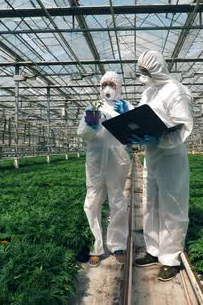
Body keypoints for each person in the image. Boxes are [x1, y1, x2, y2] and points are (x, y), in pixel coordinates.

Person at [131, 50, 193, 282]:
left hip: (171, 156)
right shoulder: (148, 92)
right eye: (141, 71)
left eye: (146, 71)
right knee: (152, 203)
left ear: (157, 68)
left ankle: (170, 258)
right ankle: (153, 249)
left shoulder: (176, 90)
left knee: (172, 205)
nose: (143, 75)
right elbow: (139, 117)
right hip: (152, 155)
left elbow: (183, 125)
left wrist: (160, 137)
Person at [77, 71, 133, 267]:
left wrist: (127, 117)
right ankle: (96, 246)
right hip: (96, 158)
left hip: (118, 158)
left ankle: (117, 245)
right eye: (104, 84)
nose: (107, 88)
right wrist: (91, 125)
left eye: (111, 84)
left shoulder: (126, 107)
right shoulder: (93, 107)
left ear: (118, 87)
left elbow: (136, 130)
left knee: (117, 200)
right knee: (92, 201)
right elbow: (82, 134)